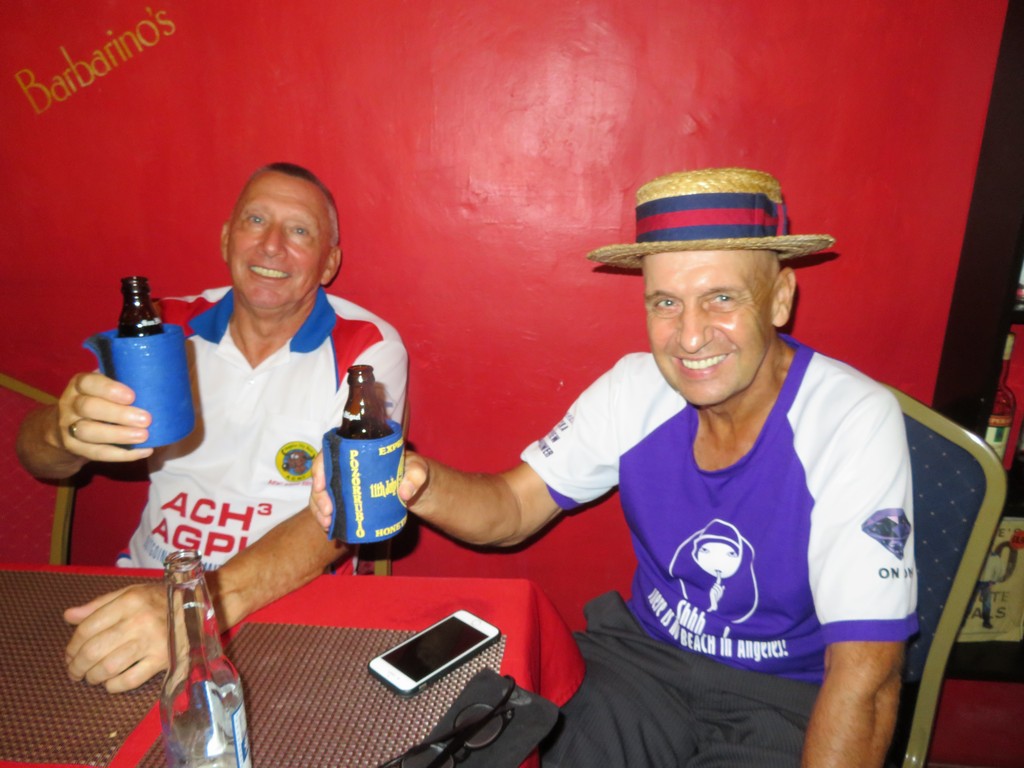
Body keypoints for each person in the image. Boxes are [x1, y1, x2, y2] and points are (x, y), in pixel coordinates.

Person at [311, 167, 916, 767]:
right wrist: (414, 481)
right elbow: (514, 508)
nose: (690, 337)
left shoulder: (851, 419)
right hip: (640, 667)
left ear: (780, 297)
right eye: (666, 303)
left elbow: (866, 677)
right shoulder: (635, 388)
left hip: (781, 699)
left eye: (722, 298)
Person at [17, 162, 408, 692]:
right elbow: (37, 458)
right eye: (256, 220)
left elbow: (343, 516)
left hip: (288, 604)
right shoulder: (165, 328)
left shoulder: (367, 349)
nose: (271, 245)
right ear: (227, 239)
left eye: (299, 230)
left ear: (328, 263)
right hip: (149, 592)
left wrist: (197, 606)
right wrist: (60, 432)